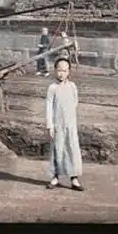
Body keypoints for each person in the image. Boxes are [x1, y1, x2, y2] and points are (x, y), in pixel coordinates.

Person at [45, 57, 84, 191]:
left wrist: (70, 117)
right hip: (58, 125)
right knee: (57, 150)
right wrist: (50, 125)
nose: (62, 73)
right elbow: (49, 107)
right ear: (55, 70)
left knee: (72, 149)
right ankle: (55, 177)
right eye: (59, 70)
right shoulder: (52, 88)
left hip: (70, 125)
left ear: (69, 72)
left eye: (65, 71)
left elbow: (75, 102)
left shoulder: (72, 86)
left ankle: (74, 179)